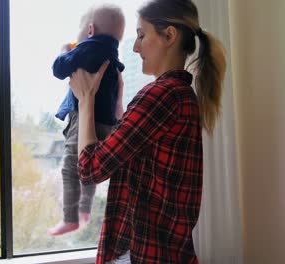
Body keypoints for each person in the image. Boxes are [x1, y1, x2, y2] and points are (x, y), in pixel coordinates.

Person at [68, 0, 226, 263]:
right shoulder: (181, 95)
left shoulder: (161, 96)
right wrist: (116, 103)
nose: (134, 46)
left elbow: (90, 168)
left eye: (142, 35)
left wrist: (85, 99)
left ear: (169, 36)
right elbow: (128, 156)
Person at [47, 4, 126, 236]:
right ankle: (84, 210)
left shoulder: (87, 49)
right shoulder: (112, 56)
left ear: (90, 30)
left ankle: (70, 218)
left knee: (70, 167)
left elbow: (58, 69)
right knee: (89, 166)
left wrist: (64, 52)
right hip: (106, 123)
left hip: (84, 120)